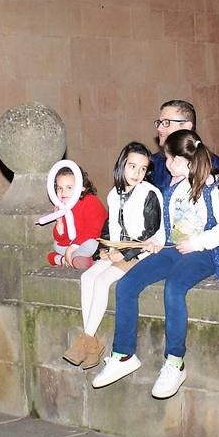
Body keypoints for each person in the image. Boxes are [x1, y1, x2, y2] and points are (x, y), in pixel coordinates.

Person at [92, 130, 219, 400]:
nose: (166, 163)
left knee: (174, 287)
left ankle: (175, 362)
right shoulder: (174, 189)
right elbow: (166, 227)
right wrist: (156, 241)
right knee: (127, 284)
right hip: (172, 249)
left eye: (170, 158)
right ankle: (123, 355)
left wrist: (198, 243)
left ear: (186, 161)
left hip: (204, 253)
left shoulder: (215, 188)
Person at [62, 142, 162, 369]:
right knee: (88, 277)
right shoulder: (114, 194)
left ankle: (86, 341)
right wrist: (105, 249)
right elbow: (108, 226)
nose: (137, 173)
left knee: (103, 281)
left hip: (140, 252)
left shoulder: (150, 193)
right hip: (116, 248)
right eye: (132, 166)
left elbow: (151, 231)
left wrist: (125, 253)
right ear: (121, 165)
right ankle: (91, 345)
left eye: (143, 168)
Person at [149, 99, 219, 191]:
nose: (159, 128)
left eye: (166, 123)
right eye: (159, 123)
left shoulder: (210, 163)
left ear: (186, 126)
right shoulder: (153, 162)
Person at [41, 161, 106, 270]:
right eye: (60, 188)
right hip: (76, 245)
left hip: (94, 242)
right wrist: (59, 222)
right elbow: (61, 238)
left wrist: (70, 249)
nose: (63, 192)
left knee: (90, 244)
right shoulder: (64, 207)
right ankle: (75, 259)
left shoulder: (91, 201)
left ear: (82, 188)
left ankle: (67, 259)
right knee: (56, 245)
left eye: (69, 187)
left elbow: (93, 231)